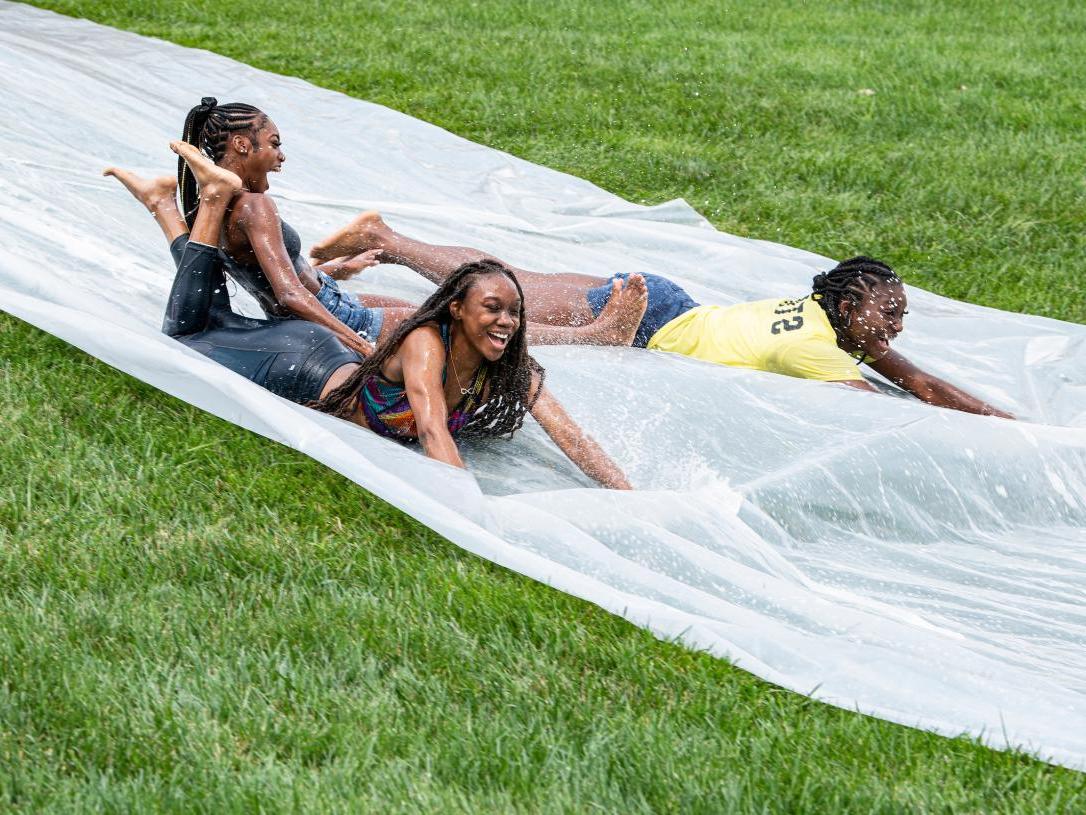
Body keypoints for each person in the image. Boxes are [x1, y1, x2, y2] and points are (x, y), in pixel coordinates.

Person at [134, 140, 633, 489]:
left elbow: (571, 436)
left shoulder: (511, 364)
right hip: (301, 364)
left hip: (322, 349)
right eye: (493, 309)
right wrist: (471, 517)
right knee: (189, 335)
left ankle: (164, 205)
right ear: (456, 310)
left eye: (514, 313)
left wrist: (627, 495)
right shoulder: (425, 345)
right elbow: (433, 429)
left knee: (208, 321)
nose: (507, 322)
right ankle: (211, 200)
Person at [310, 215, 1014, 418]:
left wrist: (1009, 424)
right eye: (888, 313)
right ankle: (378, 250)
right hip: (653, 322)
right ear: (852, 306)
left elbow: (918, 381)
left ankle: (351, 273)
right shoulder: (821, 351)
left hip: (669, 302)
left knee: (511, 287)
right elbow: (901, 408)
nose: (896, 327)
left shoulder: (830, 322)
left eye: (902, 315)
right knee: (500, 299)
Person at [167, 97, 647, 352]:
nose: (281, 155)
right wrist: (352, 338)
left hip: (329, 299)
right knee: (466, 323)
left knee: (444, 306)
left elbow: (276, 282)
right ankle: (594, 335)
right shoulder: (254, 207)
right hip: (334, 315)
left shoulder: (215, 209)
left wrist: (340, 271)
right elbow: (289, 295)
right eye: (273, 143)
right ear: (243, 146)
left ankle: (585, 326)